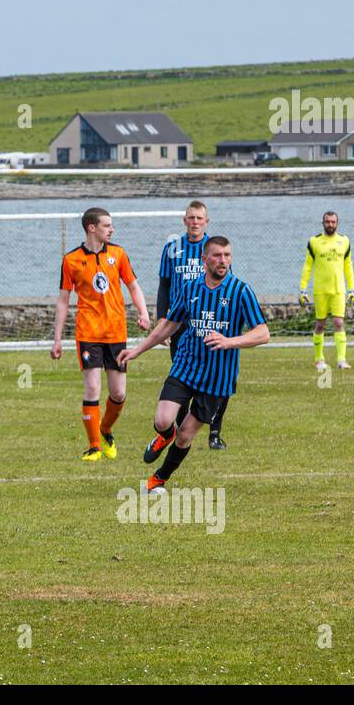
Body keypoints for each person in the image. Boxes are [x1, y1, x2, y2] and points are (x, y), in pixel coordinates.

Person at [118, 236, 269, 491]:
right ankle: (164, 436)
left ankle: (158, 480)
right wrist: (137, 350)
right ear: (204, 259)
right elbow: (167, 326)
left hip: (218, 377)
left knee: (186, 434)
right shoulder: (190, 289)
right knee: (164, 420)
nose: (223, 261)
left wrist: (230, 341)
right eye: (218, 256)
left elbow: (263, 333)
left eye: (228, 256)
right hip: (186, 366)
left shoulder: (241, 291)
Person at [51, 207, 151, 462]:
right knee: (92, 387)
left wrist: (143, 312)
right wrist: (57, 339)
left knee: (118, 393)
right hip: (88, 333)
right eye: (107, 225)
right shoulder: (71, 260)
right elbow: (63, 300)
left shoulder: (118, 254)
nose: (112, 229)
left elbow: (133, 285)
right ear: (92, 227)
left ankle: (105, 429)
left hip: (116, 333)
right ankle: (94, 446)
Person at [158, 200, 229, 450]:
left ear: (206, 221)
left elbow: (227, 285)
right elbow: (164, 286)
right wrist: (161, 319)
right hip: (180, 324)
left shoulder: (216, 250)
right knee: (182, 376)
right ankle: (181, 429)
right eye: (191, 218)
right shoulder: (172, 249)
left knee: (217, 378)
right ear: (184, 220)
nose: (195, 222)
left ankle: (215, 433)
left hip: (209, 322)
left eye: (199, 218)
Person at [299, 211, 354, 371]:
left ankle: (341, 360)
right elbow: (308, 266)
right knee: (320, 325)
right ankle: (319, 360)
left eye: (333, 222)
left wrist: (352, 288)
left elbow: (348, 265)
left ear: (337, 223)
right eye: (327, 221)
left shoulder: (344, 241)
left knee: (339, 323)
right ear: (323, 223)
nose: (330, 224)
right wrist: (303, 289)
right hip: (320, 290)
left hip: (338, 290)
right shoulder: (314, 242)